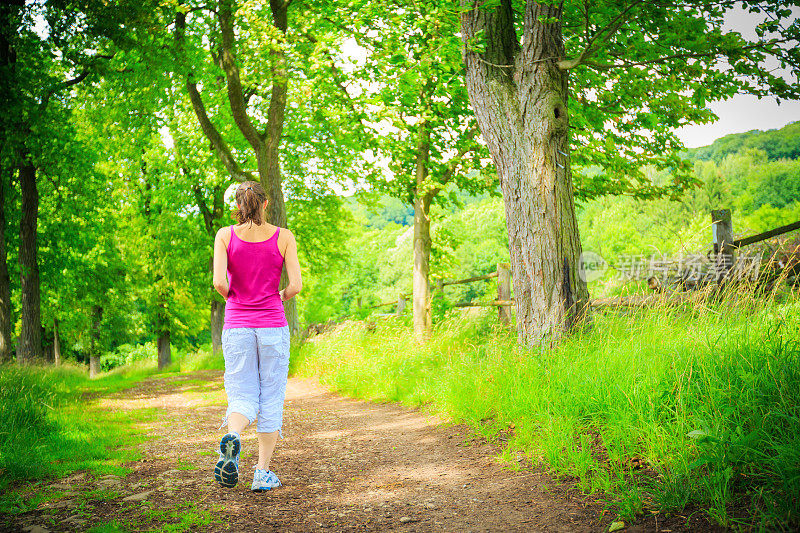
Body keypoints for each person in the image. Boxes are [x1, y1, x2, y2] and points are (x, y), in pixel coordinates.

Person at [211, 181, 302, 491]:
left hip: (236, 325)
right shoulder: (284, 237)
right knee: (271, 396)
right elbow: (295, 287)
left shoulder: (224, 235)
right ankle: (261, 473)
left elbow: (219, 283)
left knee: (242, 393)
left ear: (239, 207)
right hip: (273, 325)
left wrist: (234, 301)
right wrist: (277, 296)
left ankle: (233, 437)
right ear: (266, 204)